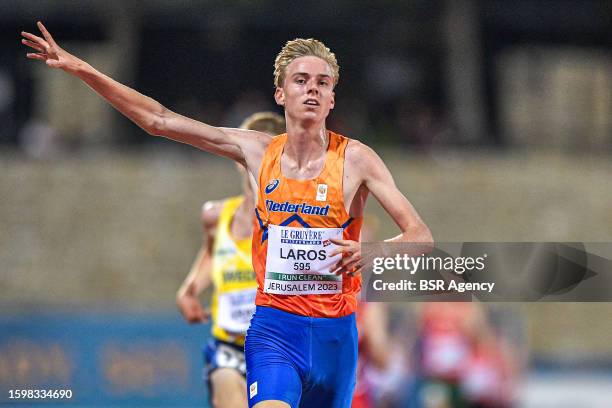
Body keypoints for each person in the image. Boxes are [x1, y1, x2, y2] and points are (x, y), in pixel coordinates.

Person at [22, 22, 433, 408]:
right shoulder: (256, 151)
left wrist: (373, 251)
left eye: (322, 84)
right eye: (301, 81)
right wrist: (81, 69)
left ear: (332, 99)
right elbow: (159, 120)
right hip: (275, 330)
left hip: (336, 339)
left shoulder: (358, 160)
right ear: (280, 93)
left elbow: (420, 236)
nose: (312, 90)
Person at [176, 112, 285, 408]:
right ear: (237, 158)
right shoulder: (216, 215)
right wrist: (189, 289)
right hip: (229, 347)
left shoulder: (295, 225)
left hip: (279, 350)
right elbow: (212, 253)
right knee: (224, 376)